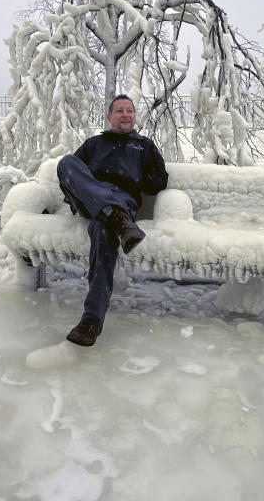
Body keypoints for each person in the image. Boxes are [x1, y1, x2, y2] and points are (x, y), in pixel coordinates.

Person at [56, 94, 168, 346]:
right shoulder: (94, 144)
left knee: (102, 231)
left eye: (130, 110)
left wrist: (137, 179)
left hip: (123, 201)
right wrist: (88, 194)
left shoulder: (145, 146)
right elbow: (71, 175)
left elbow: (161, 179)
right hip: (91, 200)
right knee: (65, 161)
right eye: (119, 110)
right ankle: (115, 217)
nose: (126, 114)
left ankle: (91, 321)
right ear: (109, 117)